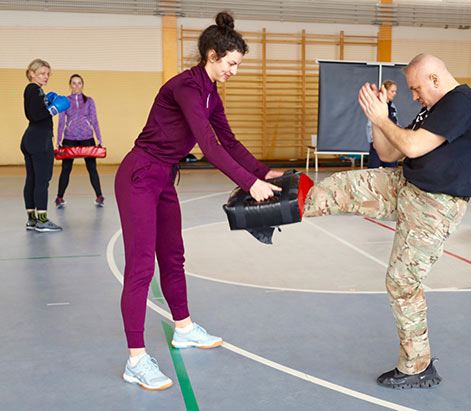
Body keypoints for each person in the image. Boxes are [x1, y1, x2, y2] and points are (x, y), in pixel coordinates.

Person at [115, 12, 283, 391]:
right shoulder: (186, 89)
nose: (234, 72)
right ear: (212, 55)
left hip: (164, 178)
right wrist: (248, 183)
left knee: (173, 257)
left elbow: (230, 140)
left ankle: (184, 329)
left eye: (237, 65)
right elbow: (208, 146)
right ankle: (136, 360)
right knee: (141, 267)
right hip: (140, 175)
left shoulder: (210, 93)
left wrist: (264, 172)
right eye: (232, 64)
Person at [303, 54, 471, 388]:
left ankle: (417, 366)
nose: (415, 96)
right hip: (406, 184)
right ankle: (273, 209)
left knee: (402, 282)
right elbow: (391, 153)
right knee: (345, 187)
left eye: (417, 89)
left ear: (434, 79)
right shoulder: (433, 108)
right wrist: (376, 119)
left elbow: (414, 146)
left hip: (435, 204)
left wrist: (383, 118)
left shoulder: (464, 102)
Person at [21, 59, 69, 232]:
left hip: (31, 138)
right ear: (32, 73)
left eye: (48, 74)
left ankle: (32, 220)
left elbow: (37, 113)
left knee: (32, 179)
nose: (46, 76)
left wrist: (47, 102)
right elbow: (35, 115)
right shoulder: (33, 89)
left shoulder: (35, 91)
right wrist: (54, 108)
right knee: (42, 180)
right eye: (42, 73)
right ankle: (42, 220)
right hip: (39, 139)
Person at [55, 74, 104, 208]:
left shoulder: (89, 101)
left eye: (79, 83)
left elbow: (94, 120)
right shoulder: (64, 101)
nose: (76, 86)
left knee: (92, 168)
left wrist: (99, 138)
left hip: (87, 138)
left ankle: (100, 197)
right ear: (70, 85)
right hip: (69, 139)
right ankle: (59, 198)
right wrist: (58, 140)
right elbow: (61, 122)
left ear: (82, 85)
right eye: (74, 83)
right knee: (66, 169)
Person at [367, 80, 399, 168]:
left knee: (391, 171)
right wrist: (373, 140)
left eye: (395, 91)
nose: (395, 93)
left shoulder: (392, 106)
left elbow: (395, 123)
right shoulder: (377, 104)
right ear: (385, 91)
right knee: (373, 171)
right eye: (392, 91)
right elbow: (371, 124)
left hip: (390, 144)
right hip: (378, 143)